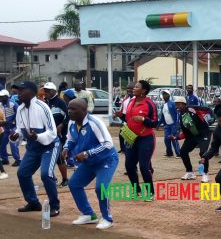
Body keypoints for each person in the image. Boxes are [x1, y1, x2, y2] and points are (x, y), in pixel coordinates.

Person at [63, 98, 119, 230]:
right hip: (89, 162)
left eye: (73, 109)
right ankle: (88, 214)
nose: (70, 111)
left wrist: (87, 153)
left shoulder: (95, 123)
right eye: (69, 108)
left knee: (101, 188)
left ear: (84, 110)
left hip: (106, 160)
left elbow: (107, 144)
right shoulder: (71, 122)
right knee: (74, 184)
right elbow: (70, 139)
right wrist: (66, 148)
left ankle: (107, 218)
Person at [10, 81, 60, 216]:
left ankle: (54, 205)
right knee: (22, 173)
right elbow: (20, 129)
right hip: (33, 147)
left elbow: (52, 132)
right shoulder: (20, 109)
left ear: (31, 93)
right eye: (17, 90)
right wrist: (16, 135)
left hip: (49, 146)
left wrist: (37, 136)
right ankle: (33, 202)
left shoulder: (42, 107)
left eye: (21, 90)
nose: (18, 93)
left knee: (46, 174)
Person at [120, 80, 158, 198]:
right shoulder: (131, 102)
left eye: (136, 87)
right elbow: (129, 120)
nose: (133, 88)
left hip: (146, 138)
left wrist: (143, 120)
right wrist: (121, 116)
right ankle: (137, 191)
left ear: (143, 91)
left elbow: (155, 123)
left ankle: (150, 192)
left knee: (143, 166)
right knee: (129, 166)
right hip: (131, 137)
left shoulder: (149, 104)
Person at [173, 96, 211, 183]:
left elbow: (208, 110)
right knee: (183, 152)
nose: (177, 107)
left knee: (203, 153)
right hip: (193, 136)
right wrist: (176, 137)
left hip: (204, 133)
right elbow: (186, 133)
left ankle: (205, 174)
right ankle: (190, 172)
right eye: (176, 105)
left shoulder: (192, 109)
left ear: (184, 104)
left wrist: (212, 118)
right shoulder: (181, 117)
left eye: (179, 105)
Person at [42, 82, 70, 188]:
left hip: (59, 134)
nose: (46, 92)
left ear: (54, 91)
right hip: (47, 134)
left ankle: (65, 179)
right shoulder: (45, 102)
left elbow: (68, 116)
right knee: (48, 156)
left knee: (59, 157)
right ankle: (52, 178)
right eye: (45, 90)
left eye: (48, 91)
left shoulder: (60, 102)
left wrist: (61, 125)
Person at [0, 89, 21, 167]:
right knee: (2, 144)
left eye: (2, 97)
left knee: (13, 143)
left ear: (7, 97)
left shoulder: (13, 104)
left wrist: (14, 122)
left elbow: (19, 114)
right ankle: (5, 159)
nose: (0, 98)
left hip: (13, 127)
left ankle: (17, 160)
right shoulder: (0, 104)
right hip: (4, 127)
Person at [113, 83, 135, 154]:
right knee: (121, 134)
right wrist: (118, 114)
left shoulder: (136, 99)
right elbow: (122, 111)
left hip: (134, 121)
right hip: (126, 120)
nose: (129, 90)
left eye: (131, 88)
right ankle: (123, 149)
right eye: (128, 88)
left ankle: (130, 149)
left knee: (131, 137)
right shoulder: (125, 99)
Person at [159, 90, 180, 157]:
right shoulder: (163, 105)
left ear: (169, 95)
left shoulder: (172, 104)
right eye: (163, 94)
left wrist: (177, 124)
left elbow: (177, 114)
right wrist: (158, 124)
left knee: (173, 139)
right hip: (167, 125)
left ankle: (178, 153)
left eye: (166, 94)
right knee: (166, 139)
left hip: (173, 124)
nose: (164, 96)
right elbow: (162, 116)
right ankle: (169, 153)